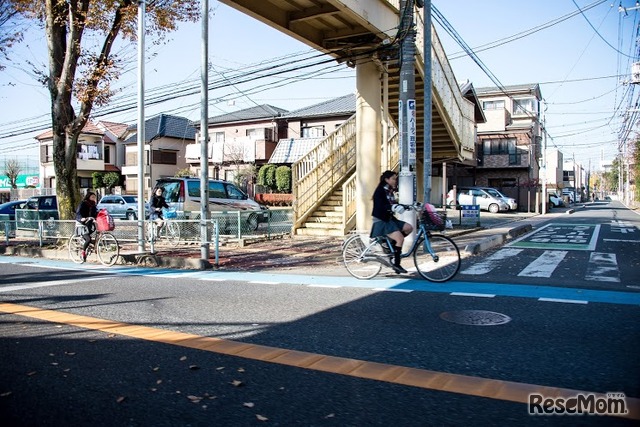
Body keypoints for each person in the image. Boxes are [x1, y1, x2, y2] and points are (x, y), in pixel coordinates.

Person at [371, 170, 413, 274]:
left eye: (396, 179)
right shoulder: (380, 191)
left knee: (408, 228)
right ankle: (396, 264)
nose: (395, 181)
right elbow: (382, 206)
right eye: (393, 179)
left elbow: (393, 204)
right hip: (381, 220)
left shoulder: (390, 191)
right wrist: (393, 207)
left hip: (389, 219)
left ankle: (390, 245)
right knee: (400, 238)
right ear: (386, 179)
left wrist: (406, 206)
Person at [75, 191, 98, 262]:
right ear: (88, 197)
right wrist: (81, 218)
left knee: (94, 234)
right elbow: (78, 213)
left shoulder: (93, 205)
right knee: (88, 239)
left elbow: (95, 213)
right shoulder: (83, 204)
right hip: (82, 224)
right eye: (92, 197)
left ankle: (90, 247)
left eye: (95, 197)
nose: (94, 199)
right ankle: (83, 252)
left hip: (89, 224)